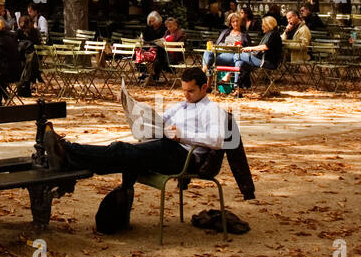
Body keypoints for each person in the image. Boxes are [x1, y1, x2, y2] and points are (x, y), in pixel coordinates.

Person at [42, 68, 228, 219]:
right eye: (184, 90)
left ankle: (66, 150)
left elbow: (218, 140)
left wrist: (183, 136)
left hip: (185, 157)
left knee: (122, 151)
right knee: (122, 153)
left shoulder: (213, 110)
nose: (186, 95)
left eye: (191, 91)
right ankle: (68, 159)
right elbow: (160, 120)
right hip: (167, 146)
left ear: (204, 87)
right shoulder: (182, 105)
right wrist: (137, 113)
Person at [232, 16, 282, 97]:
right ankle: (238, 90)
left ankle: (231, 79)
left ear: (268, 25)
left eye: (263, 25)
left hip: (268, 62)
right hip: (261, 59)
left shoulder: (274, 34)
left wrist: (250, 48)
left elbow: (265, 47)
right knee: (240, 63)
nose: (261, 27)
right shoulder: (269, 34)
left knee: (237, 55)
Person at [135, 11, 171, 83]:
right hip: (148, 48)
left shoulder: (164, 28)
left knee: (158, 58)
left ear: (158, 20)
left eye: (153, 21)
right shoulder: (148, 28)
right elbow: (144, 38)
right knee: (139, 54)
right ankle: (146, 73)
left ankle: (154, 74)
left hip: (160, 50)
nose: (151, 23)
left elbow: (166, 40)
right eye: (150, 21)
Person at [14, 14, 44, 97]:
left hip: (33, 59)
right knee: (25, 64)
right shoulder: (19, 32)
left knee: (28, 62)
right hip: (22, 58)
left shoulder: (35, 32)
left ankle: (24, 86)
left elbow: (39, 46)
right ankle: (24, 87)